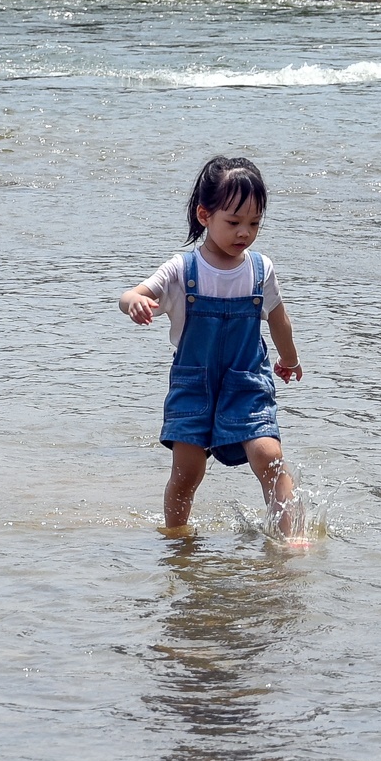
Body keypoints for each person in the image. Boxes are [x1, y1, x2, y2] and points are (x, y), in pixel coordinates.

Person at [119, 156, 307, 541]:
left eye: (254, 223)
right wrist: (134, 303)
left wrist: (290, 358)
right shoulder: (181, 270)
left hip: (246, 382)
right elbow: (131, 293)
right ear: (205, 215)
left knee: (269, 456)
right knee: (187, 474)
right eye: (234, 222)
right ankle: (177, 537)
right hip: (193, 386)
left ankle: (290, 539)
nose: (245, 233)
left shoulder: (260, 269)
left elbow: (277, 318)